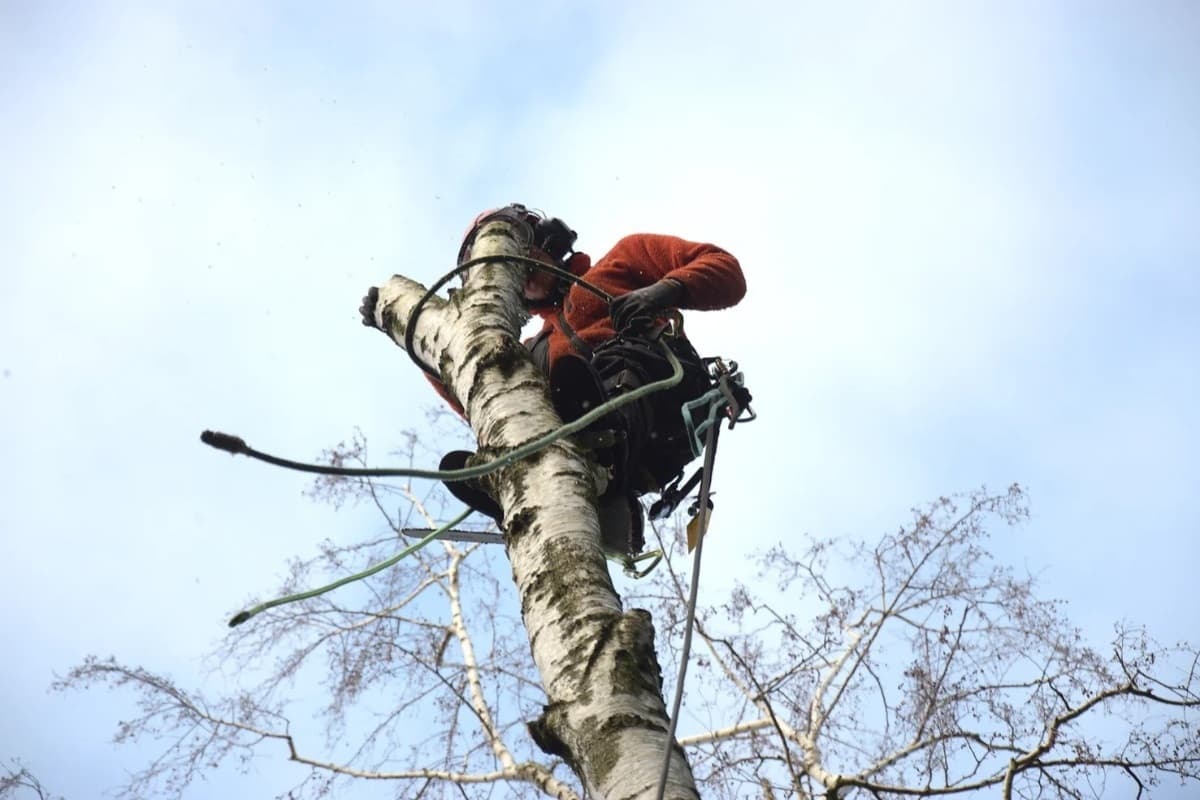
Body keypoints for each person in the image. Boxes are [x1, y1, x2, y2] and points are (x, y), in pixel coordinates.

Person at [362, 203, 746, 557]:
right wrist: (418, 337)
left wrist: (661, 291)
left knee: (589, 368)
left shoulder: (621, 263)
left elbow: (722, 268)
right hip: (621, 453)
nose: (524, 269)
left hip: (661, 398)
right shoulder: (532, 351)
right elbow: (480, 391)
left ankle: (604, 461)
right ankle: (532, 485)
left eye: (525, 250)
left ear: (548, 240)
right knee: (525, 400)